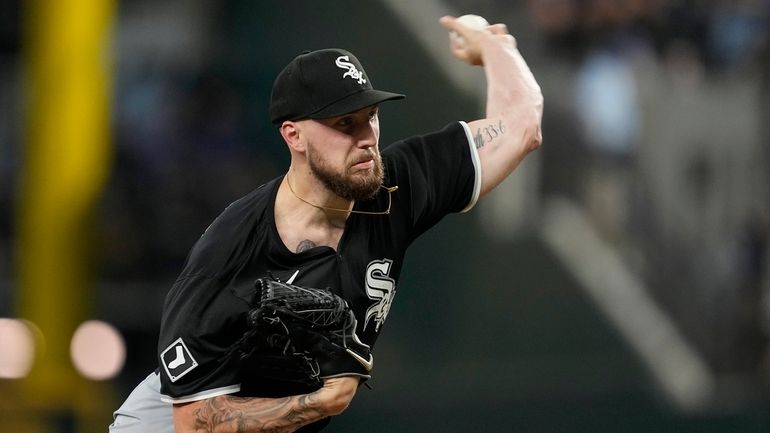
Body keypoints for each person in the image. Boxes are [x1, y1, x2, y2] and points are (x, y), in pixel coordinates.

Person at [109, 15, 543, 433]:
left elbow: (522, 126)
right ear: (293, 135)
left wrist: (495, 47)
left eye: (371, 115)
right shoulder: (231, 252)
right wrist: (319, 403)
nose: (367, 137)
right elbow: (193, 423)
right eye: (344, 123)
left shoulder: (396, 185)